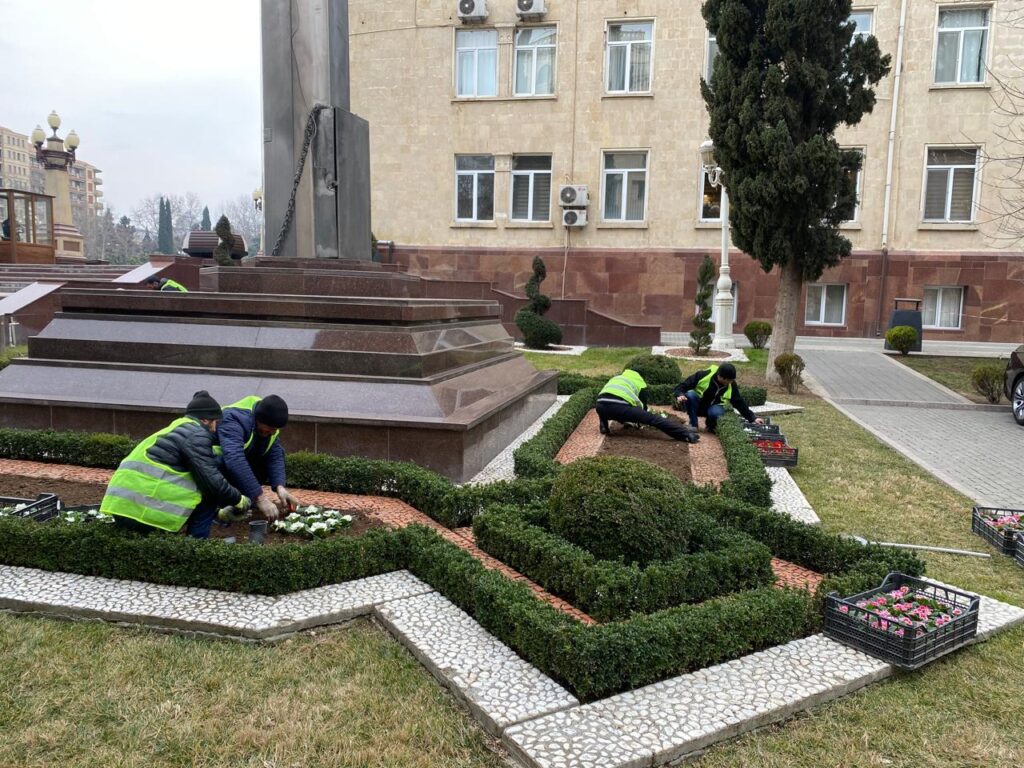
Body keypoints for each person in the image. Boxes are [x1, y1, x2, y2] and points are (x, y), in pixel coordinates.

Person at [100, 391, 250, 538]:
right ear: (205, 420)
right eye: (215, 423)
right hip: (144, 514)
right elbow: (211, 481)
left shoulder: (175, 429)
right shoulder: (196, 434)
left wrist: (217, 513)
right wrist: (239, 500)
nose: (215, 429)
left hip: (122, 508)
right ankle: (197, 548)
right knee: (211, 478)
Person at [215, 395, 297, 522]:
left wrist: (280, 487)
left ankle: (245, 501)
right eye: (269, 429)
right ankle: (218, 509)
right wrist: (261, 498)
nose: (271, 433)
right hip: (214, 468)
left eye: (274, 430)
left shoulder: (270, 427)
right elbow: (234, 460)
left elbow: (275, 456)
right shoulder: (233, 418)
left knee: (270, 455)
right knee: (226, 461)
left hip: (234, 468)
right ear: (257, 420)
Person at [596, 369, 700, 443]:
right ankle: (685, 434)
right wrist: (641, 418)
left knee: (607, 404)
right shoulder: (640, 382)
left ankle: (604, 425)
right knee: (654, 419)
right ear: (640, 375)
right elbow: (643, 406)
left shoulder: (617, 377)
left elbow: (607, 395)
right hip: (620, 407)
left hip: (600, 406)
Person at [674, 362, 765, 434]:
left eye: (732, 380)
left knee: (716, 413)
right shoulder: (703, 375)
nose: (730, 382)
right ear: (720, 376)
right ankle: (693, 425)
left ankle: (711, 425)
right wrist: (680, 395)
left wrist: (752, 418)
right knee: (690, 395)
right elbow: (682, 385)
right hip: (698, 405)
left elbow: (738, 402)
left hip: (714, 407)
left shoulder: (731, 384)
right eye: (728, 380)